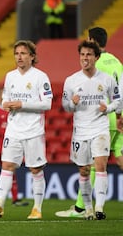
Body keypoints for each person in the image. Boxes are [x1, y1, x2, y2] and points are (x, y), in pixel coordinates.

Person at [55, 27, 123, 218]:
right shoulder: (117, 62)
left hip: (100, 118)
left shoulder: (97, 63)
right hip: (117, 117)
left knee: (94, 165)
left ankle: (80, 208)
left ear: (92, 41)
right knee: (118, 157)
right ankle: (84, 207)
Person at [0, 40, 52, 219]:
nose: (19, 57)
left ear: (32, 56)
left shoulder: (40, 77)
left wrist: (22, 104)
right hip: (13, 129)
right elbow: (5, 97)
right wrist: (6, 103)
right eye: (17, 53)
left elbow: (47, 104)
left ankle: (37, 208)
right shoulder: (10, 76)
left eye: (23, 53)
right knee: (7, 166)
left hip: (33, 130)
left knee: (35, 170)